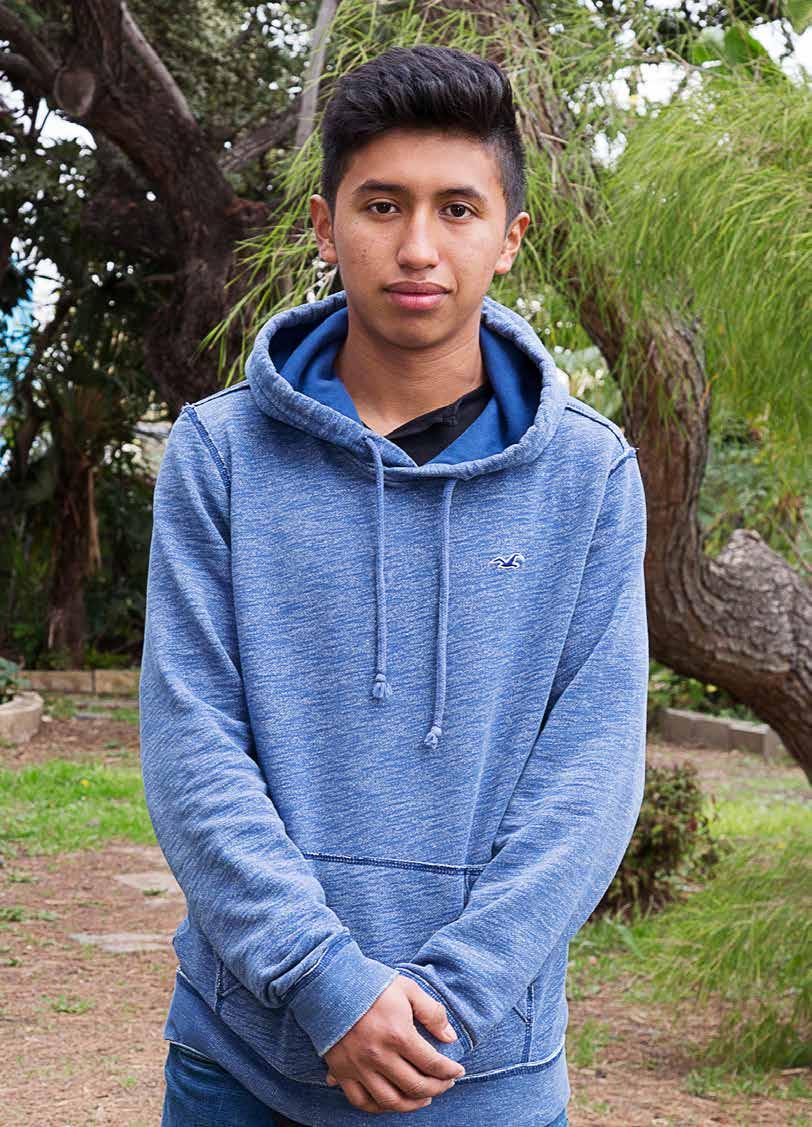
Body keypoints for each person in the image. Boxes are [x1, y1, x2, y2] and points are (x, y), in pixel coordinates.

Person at [139, 43, 648, 1127]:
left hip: (482, 1071)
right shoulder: (219, 454)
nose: (418, 246)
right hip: (242, 1064)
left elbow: (590, 776)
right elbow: (192, 746)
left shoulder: (589, 475)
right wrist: (323, 980)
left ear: (509, 237)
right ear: (326, 228)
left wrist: (446, 1003)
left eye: (457, 208)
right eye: (382, 205)